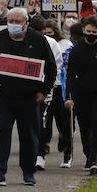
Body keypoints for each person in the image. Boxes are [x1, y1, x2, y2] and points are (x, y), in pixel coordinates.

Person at [0, 8, 57, 187]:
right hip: (4, 96)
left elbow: (51, 68)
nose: (14, 25)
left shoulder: (38, 40)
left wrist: (44, 91)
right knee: (2, 131)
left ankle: (28, 173)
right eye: (11, 21)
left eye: (18, 22)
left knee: (29, 136)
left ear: (26, 23)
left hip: (29, 97)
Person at [64, 16, 97, 174]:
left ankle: (94, 160)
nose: (91, 34)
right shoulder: (76, 50)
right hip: (81, 94)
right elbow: (70, 75)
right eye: (88, 31)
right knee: (85, 127)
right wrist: (68, 96)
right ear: (83, 30)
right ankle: (88, 153)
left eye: (94, 32)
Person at [37, 19, 73, 169]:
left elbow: (58, 68)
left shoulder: (55, 44)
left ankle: (67, 151)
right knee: (42, 123)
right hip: (40, 88)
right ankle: (40, 155)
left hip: (58, 87)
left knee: (63, 122)